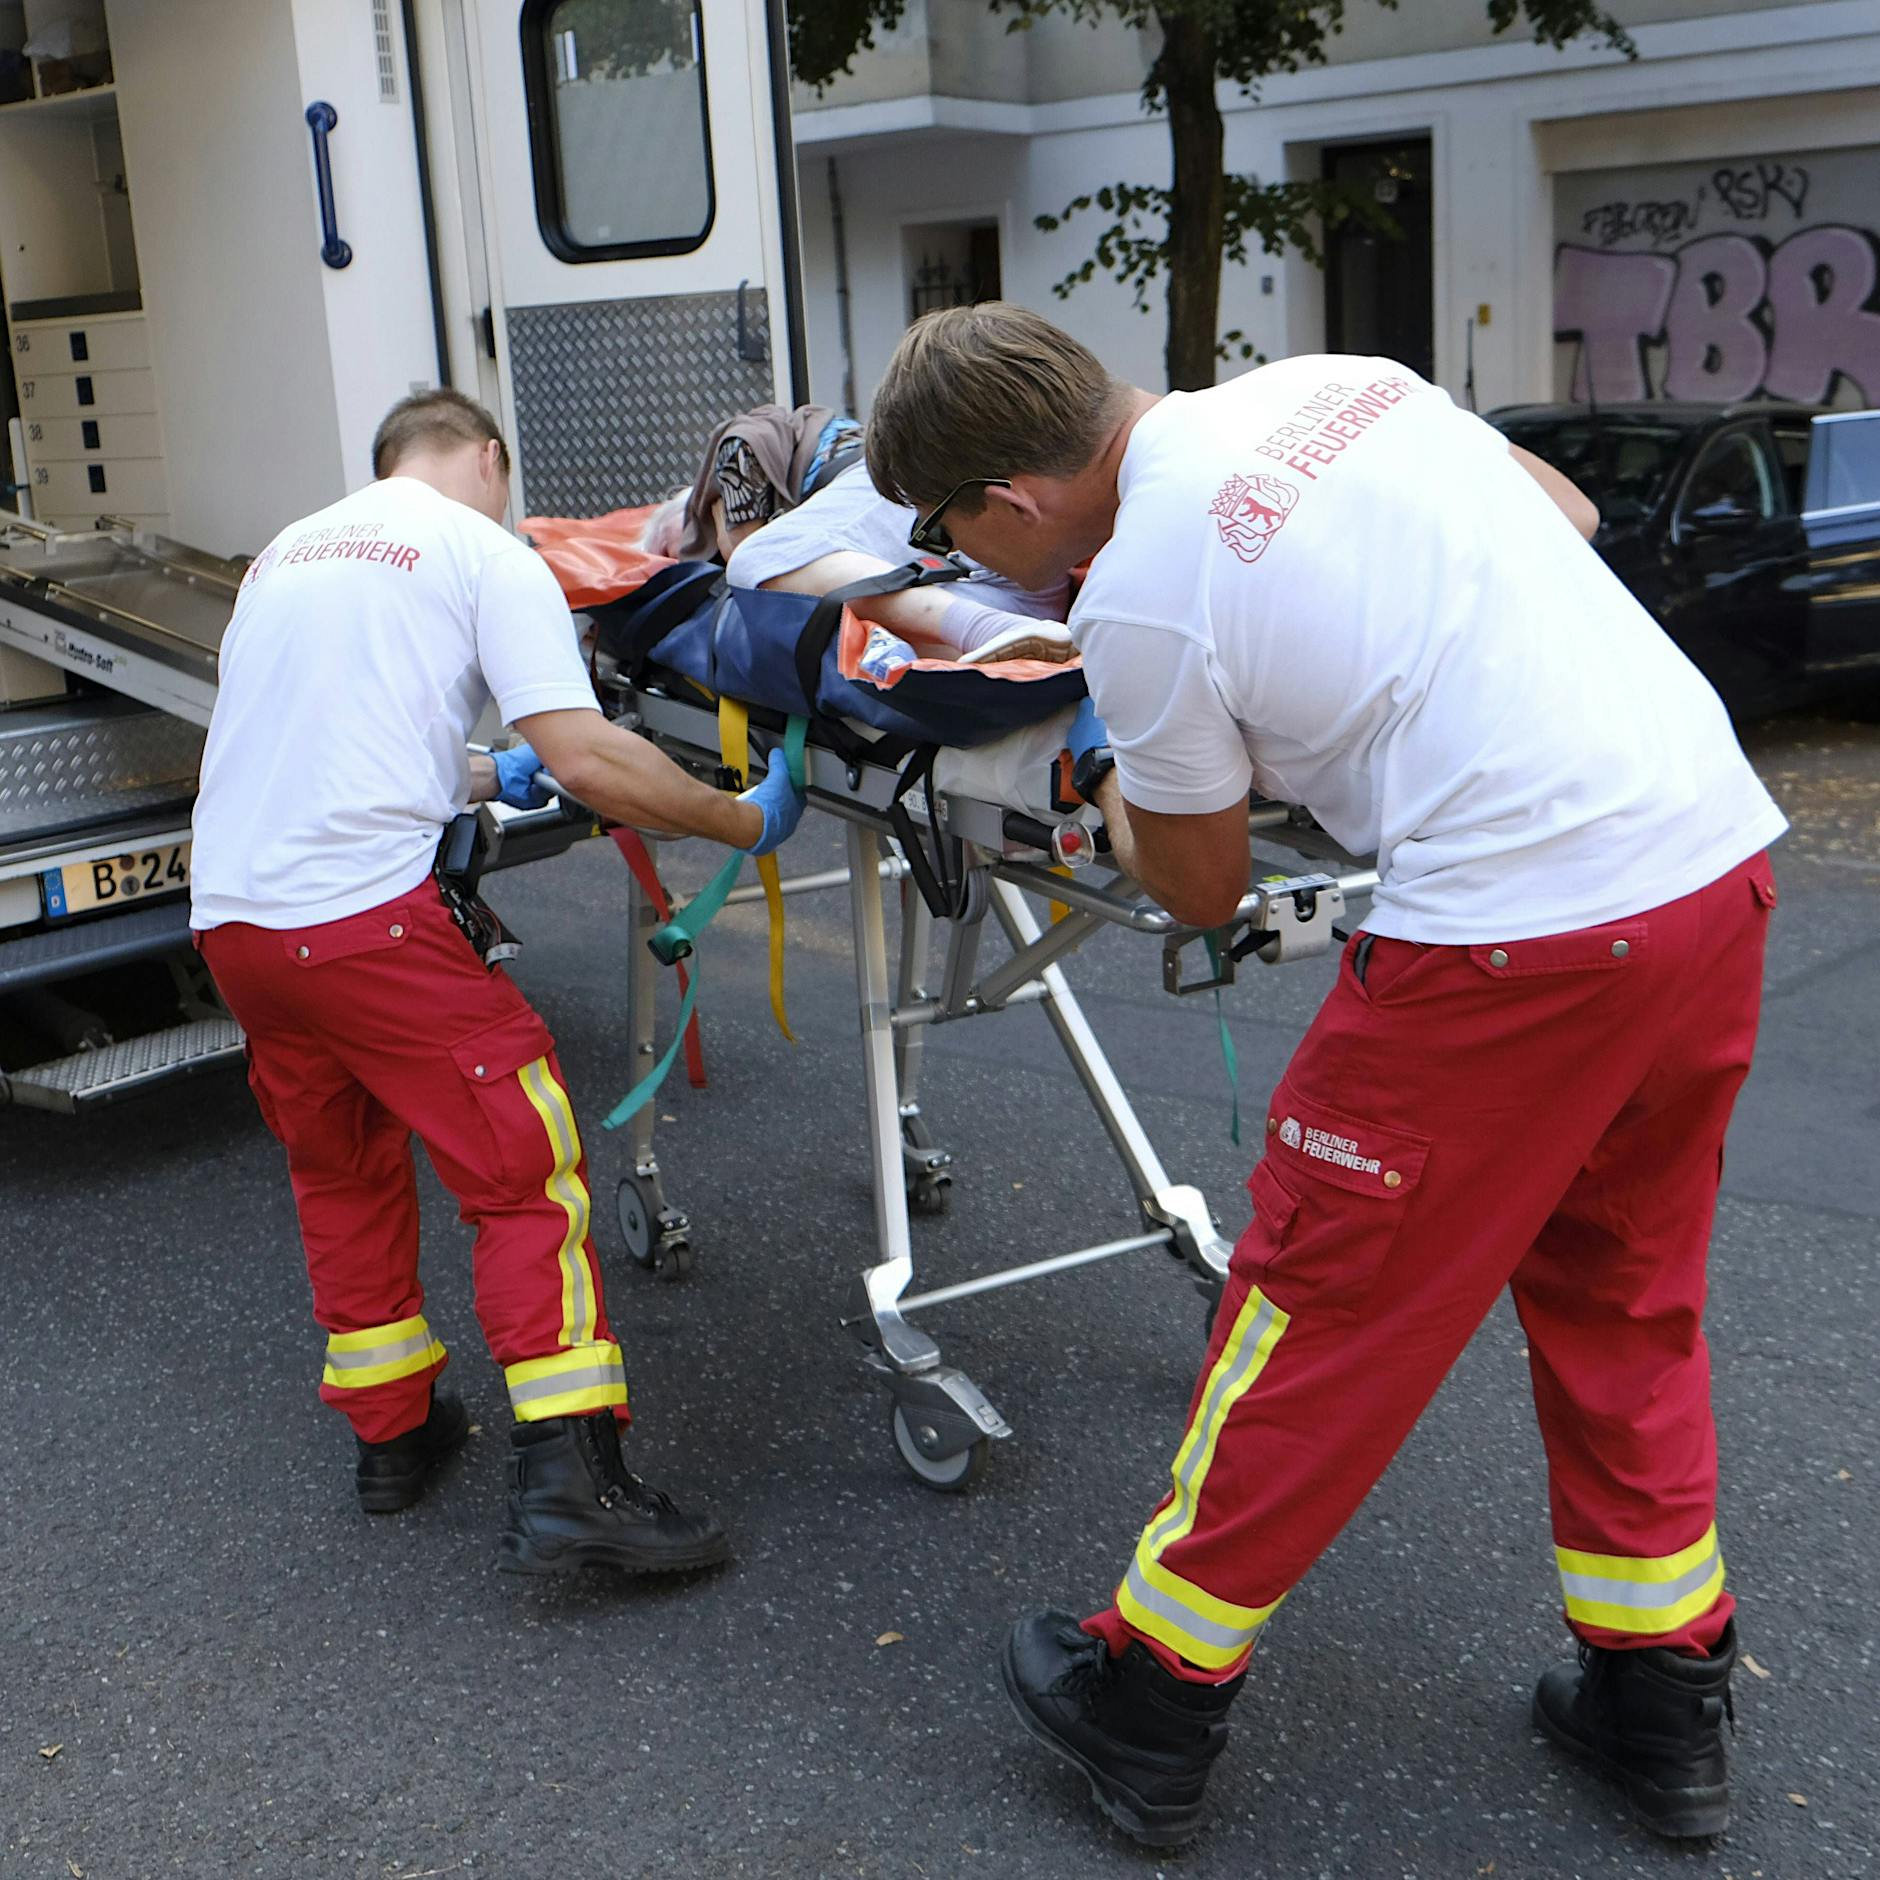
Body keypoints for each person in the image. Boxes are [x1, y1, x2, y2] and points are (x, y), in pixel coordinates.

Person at [866, 305, 1785, 1848]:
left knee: (1314, 1306)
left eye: (953, 530)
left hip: (1512, 938)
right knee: (1621, 1285)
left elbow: (1206, 887)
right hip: (1705, 861)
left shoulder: (1145, 598)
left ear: (1010, 505)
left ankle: (1150, 1698)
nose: (965, 558)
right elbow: (1560, 513)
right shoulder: (1341, 384)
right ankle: (1661, 1696)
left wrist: (1123, 779)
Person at [191, 389, 805, 1575]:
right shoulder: (481, 547)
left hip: (239, 927)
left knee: (344, 1168)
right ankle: (578, 1478)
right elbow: (587, 756)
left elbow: (335, 740)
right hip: (363, 919)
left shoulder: (283, 554)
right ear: (487, 458)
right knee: (523, 1173)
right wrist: (740, 817)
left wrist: (477, 772)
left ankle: (395, 1435)